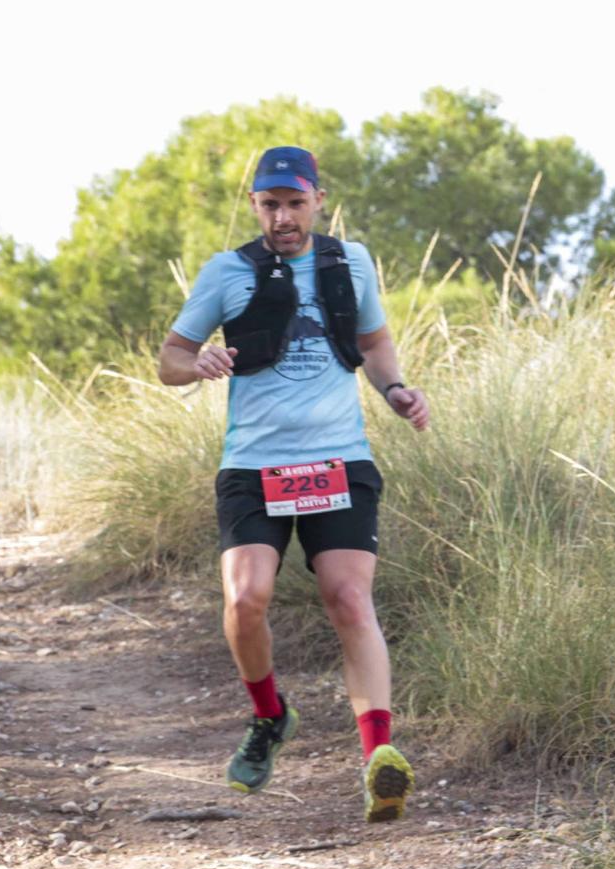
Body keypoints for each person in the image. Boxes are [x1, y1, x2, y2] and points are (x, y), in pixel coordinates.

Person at [158, 146, 431, 823]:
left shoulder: (351, 262)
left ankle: (379, 758)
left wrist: (395, 388)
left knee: (348, 597)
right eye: (270, 204)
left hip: (339, 456)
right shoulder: (227, 272)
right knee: (246, 597)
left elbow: (372, 343)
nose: (283, 216)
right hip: (254, 464)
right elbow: (170, 360)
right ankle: (270, 715)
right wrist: (202, 363)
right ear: (255, 205)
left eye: (295, 203)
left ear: (317, 200)